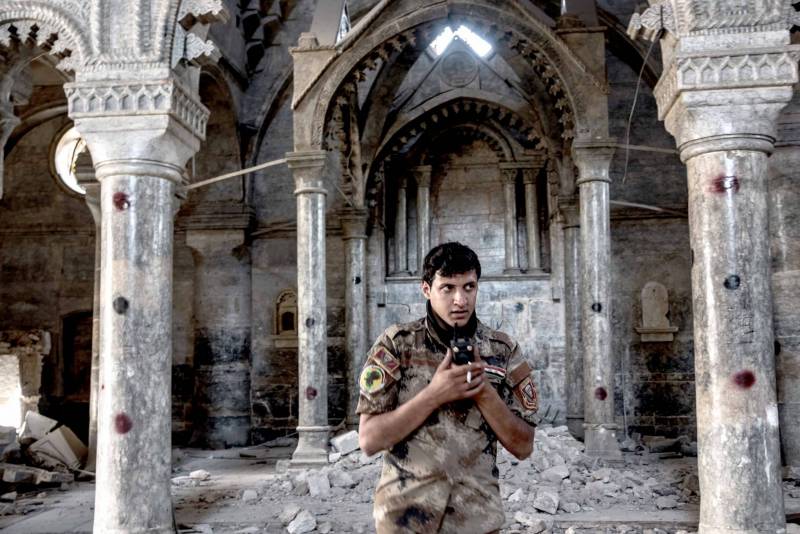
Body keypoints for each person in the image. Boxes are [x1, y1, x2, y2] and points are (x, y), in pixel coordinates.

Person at [357, 242, 539, 534]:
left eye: (469, 287)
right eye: (448, 288)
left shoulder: (502, 350)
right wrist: (433, 395)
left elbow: (523, 446)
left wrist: (483, 392)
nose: (460, 300)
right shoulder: (397, 345)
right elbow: (369, 440)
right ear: (426, 289)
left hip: (476, 519)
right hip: (406, 518)